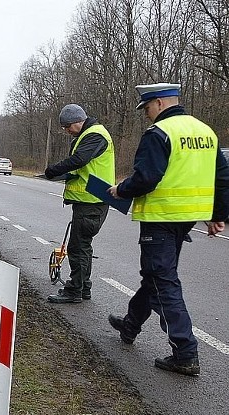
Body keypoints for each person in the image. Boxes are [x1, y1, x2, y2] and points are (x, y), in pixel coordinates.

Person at [108, 82, 229, 376]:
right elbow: (222, 178)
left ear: (160, 103)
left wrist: (120, 190)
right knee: (155, 277)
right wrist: (218, 215)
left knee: (163, 282)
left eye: (147, 108)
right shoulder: (205, 132)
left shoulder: (158, 133)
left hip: (161, 218)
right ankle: (131, 324)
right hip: (185, 219)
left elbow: (146, 178)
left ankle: (185, 352)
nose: (147, 114)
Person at [44, 104, 115, 304]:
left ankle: (74, 290)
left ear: (77, 121)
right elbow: (84, 167)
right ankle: (83, 288)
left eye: (67, 127)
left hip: (92, 201)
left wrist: (54, 170)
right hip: (92, 199)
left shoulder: (95, 135)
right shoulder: (89, 135)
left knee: (77, 248)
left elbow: (80, 160)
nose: (67, 132)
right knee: (83, 246)